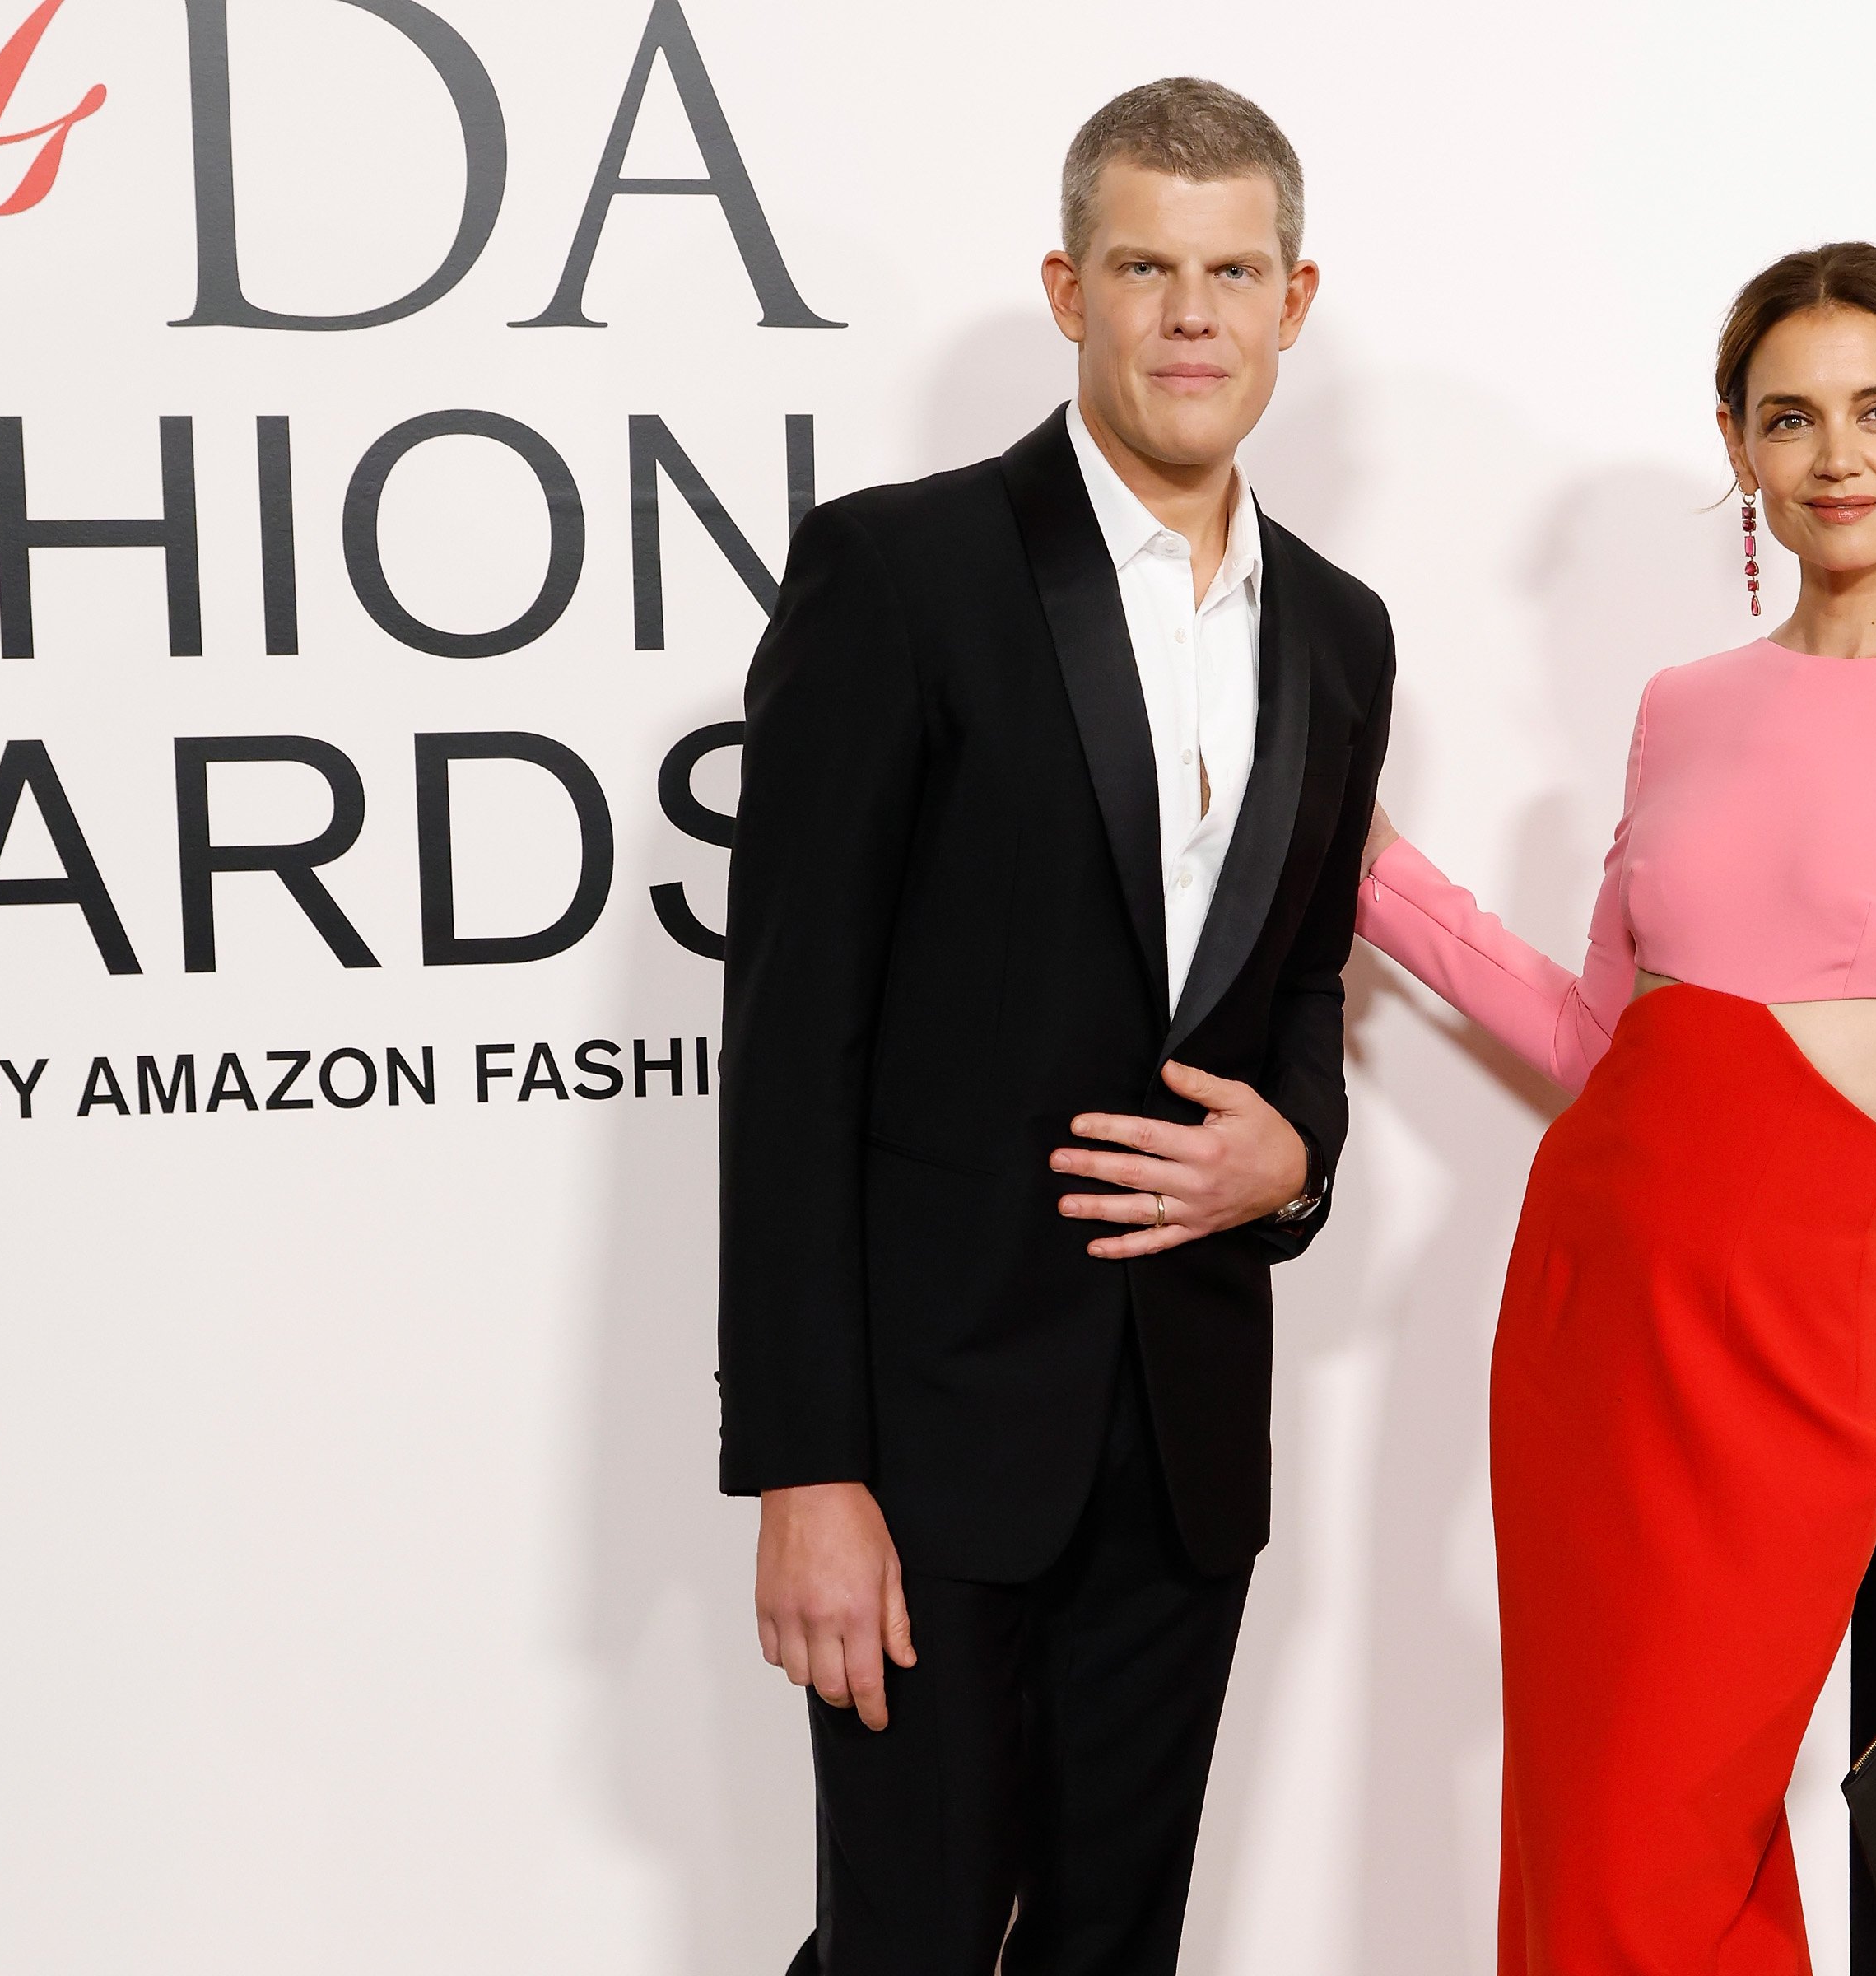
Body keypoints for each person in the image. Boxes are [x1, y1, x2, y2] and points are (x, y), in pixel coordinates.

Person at [1352, 242, 1876, 1972]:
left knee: (1663, 1840)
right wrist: (1372, 870)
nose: (1836, 454)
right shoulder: (1682, 709)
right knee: (1589, 1832)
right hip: (1584, 1304)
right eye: (1790, 418)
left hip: (1786, 1345)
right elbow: (1597, 1038)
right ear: (1739, 446)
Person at [715, 79, 1394, 1976]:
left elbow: (1305, 986)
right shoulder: (899, 574)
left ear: (1295, 299)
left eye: (1233, 270)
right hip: (924, 1448)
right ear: (1067, 289)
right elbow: (788, 1053)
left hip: (1184, 1449)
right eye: (1146, 268)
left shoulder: (1342, 633)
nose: (1193, 313)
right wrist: (804, 1469)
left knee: (1115, 1952)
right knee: (909, 1946)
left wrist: (1298, 1151)